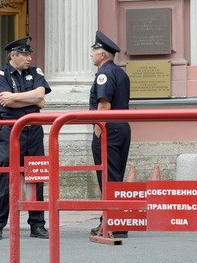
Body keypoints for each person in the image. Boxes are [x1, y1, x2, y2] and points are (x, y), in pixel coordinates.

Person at [0, 37, 51, 241]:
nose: (29, 58)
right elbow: (5, 102)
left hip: (33, 130)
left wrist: (14, 97)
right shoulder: (1, 73)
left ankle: (37, 225)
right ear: (13, 56)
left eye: (29, 54)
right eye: (24, 54)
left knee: (36, 175)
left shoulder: (36, 72)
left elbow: (40, 95)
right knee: (6, 176)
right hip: (11, 130)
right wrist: (31, 100)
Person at [88, 31, 131, 238]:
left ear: (102, 54)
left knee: (107, 177)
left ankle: (111, 223)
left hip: (109, 129)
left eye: (93, 51)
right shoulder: (121, 72)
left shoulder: (104, 74)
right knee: (116, 176)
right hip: (122, 128)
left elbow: (104, 105)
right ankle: (116, 222)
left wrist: (98, 131)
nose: (91, 55)